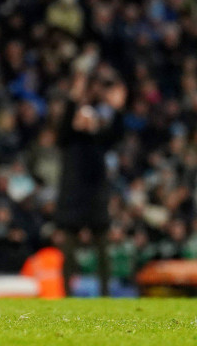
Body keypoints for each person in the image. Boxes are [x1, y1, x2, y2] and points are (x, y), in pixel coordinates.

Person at [55, 63, 126, 296]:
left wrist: (116, 108)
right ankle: (67, 295)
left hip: (95, 194)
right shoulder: (70, 138)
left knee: (102, 247)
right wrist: (74, 99)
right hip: (73, 195)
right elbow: (63, 128)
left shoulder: (99, 140)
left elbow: (116, 135)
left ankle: (105, 295)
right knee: (69, 250)